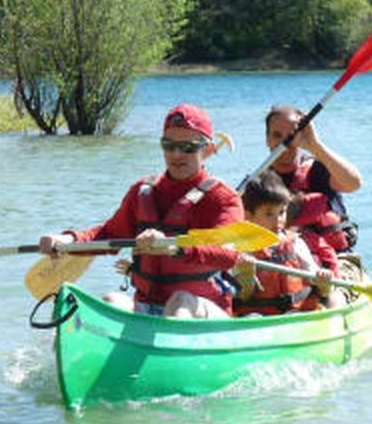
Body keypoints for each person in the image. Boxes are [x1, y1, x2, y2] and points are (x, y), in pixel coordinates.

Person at [39, 104, 253, 318]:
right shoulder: (143, 191)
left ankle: (169, 347)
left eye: (188, 147)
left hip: (202, 310)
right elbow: (107, 234)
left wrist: (172, 246)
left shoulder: (224, 198)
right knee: (111, 302)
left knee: (179, 302)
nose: (176, 154)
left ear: (207, 150)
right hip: (148, 308)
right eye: (168, 145)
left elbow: (228, 253)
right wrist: (67, 240)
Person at [232, 171, 344, 316]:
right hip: (257, 316)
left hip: (294, 312)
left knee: (296, 314)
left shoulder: (296, 243)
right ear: (248, 215)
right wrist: (247, 274)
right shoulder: (242, 249)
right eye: (269, 214)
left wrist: (323, 281)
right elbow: (244, 296)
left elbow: (314, 276)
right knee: (250, 317)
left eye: (281, 212)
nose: (278, 220)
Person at [264, 105, 361, 254]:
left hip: (335, 261)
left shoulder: (318, 170)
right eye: (277, 135)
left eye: (291, 136)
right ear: (267, 139)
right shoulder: (260, 183)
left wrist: (315, 146)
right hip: (289, 264)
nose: (285, 144)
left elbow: (354, 184)